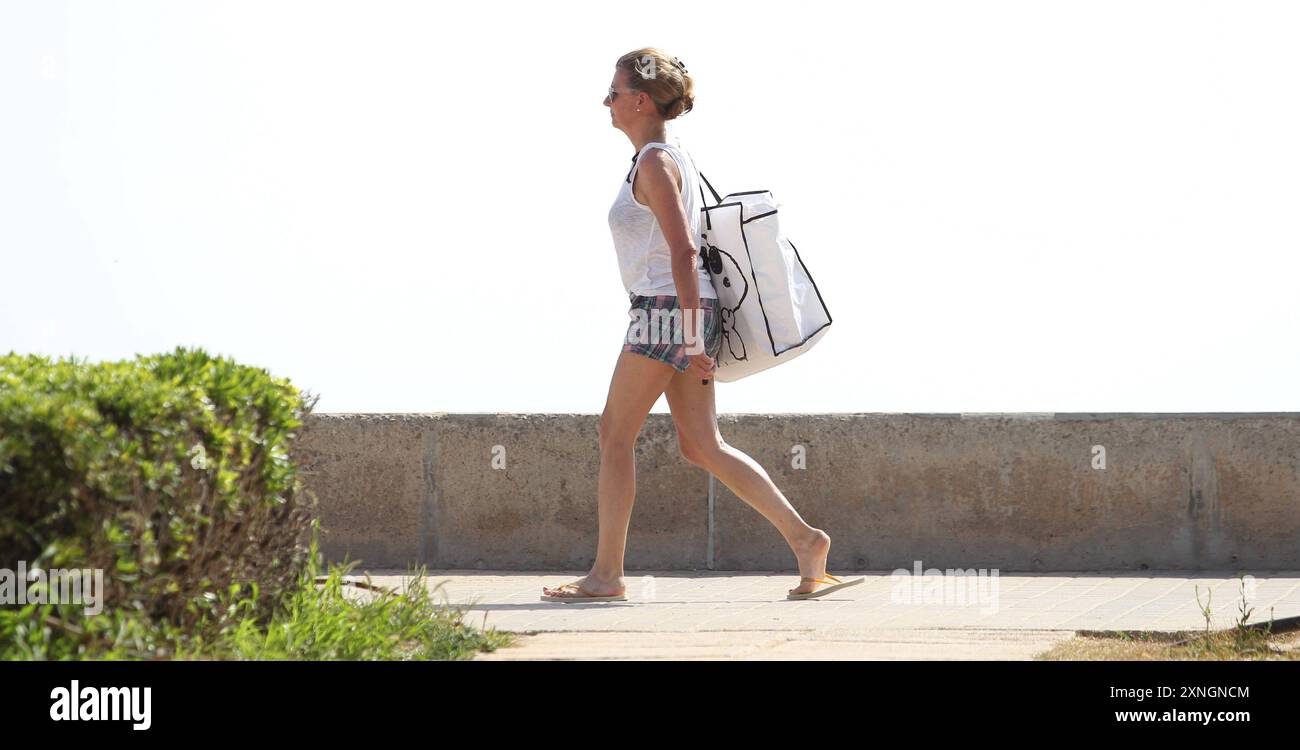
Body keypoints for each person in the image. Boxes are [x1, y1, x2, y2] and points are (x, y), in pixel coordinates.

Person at [541, 48, 861, 602]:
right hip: (684, 311)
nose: (607, 101)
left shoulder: (655, 163)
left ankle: (607, 576)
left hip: (665, 313)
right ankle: (807, 542)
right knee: (702, 444)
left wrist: (690, 338)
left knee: (614, 436)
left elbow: (684, 252)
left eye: (614, 92)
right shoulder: (669, 158)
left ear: (641, 100)